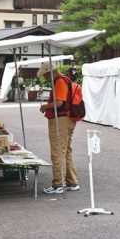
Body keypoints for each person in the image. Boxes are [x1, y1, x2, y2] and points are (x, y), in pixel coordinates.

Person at [37, 62, 80, 194]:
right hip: (68, 119)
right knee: (66, 151)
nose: (45, 79)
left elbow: (59, 102)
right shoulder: (66, 80)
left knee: (57, 152)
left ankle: (58, 184)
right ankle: (72, 182)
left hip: (60, 120)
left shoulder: (60, 82)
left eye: (45, 76)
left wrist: (45, 107)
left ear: (51, 72)